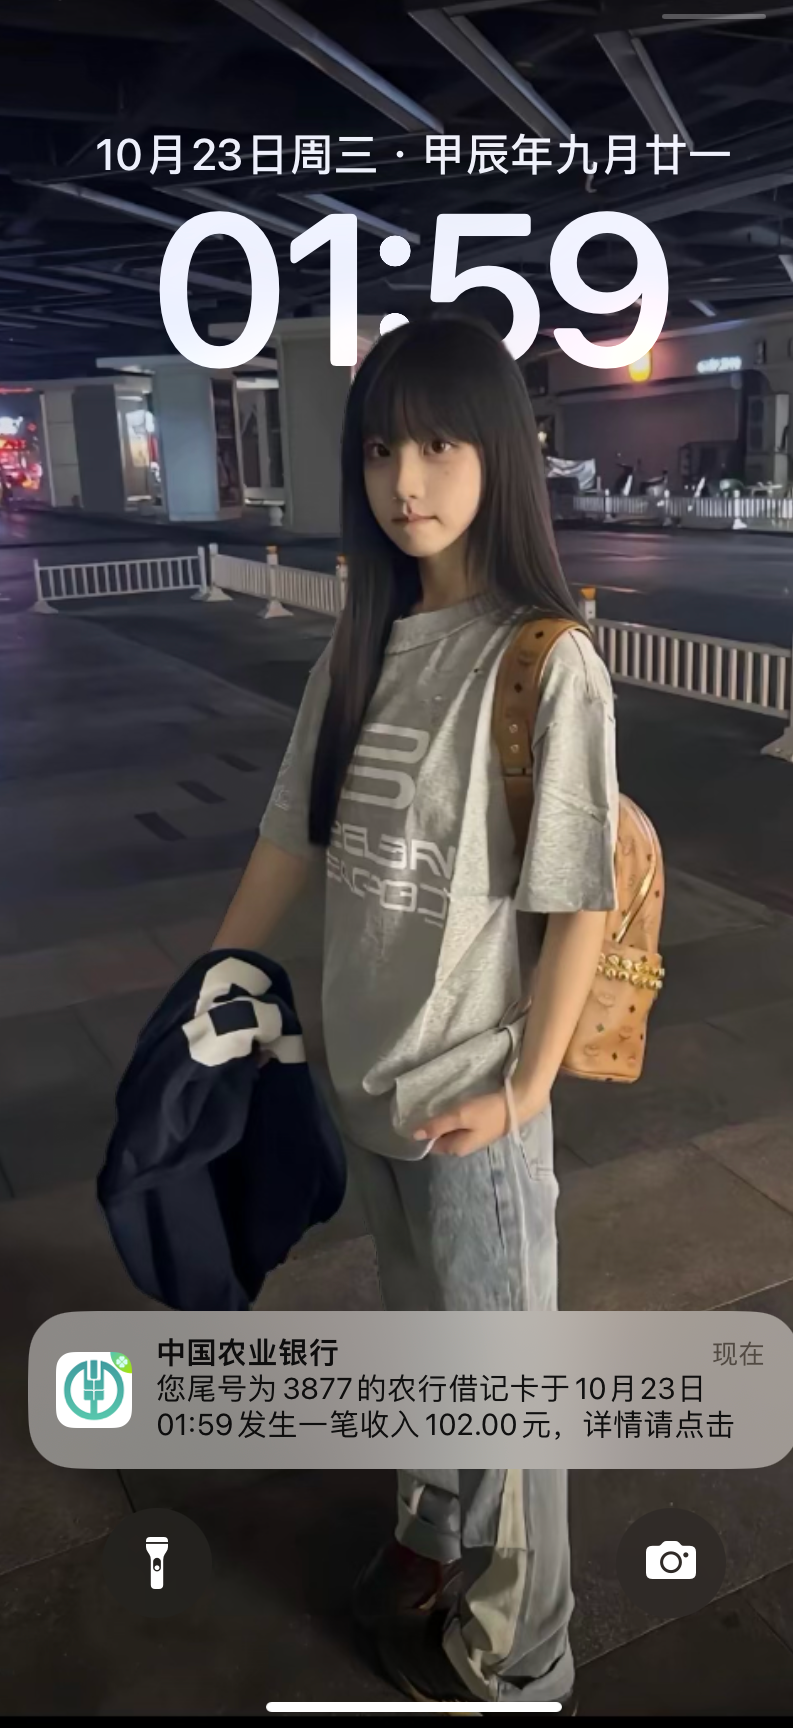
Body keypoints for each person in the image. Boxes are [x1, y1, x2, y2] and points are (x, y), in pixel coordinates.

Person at [211, 313, 619, 1709]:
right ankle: (432, 1546)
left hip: (472, 1104)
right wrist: (215, 979)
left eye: (441, 444)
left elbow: (580, 902)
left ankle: (523, 1663)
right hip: (368, 1079)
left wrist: (523, 1092)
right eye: (384, 448)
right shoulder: (365, 643)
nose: (407, 480)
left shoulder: (543, 661)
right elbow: (290, 832)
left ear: (499, 453)